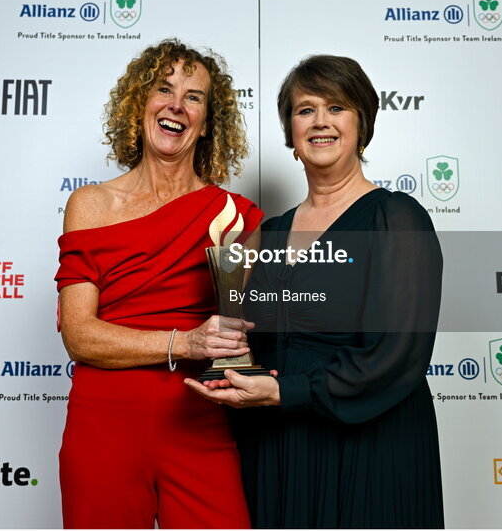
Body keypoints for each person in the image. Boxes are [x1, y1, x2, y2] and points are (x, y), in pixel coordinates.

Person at [185, 55, 444, 528]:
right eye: (305, 110)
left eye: (336, 107)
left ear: (361, 123)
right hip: (280, 446)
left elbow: (399, 352)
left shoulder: (396, 218)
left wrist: (290, 391)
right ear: (290, 132)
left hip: (370, 446)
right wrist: (230, 365)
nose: (320, 121)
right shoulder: (269, 231)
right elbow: (254, 337)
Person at [55, 40, 263, 529]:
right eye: (164, 89)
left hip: (198, 419)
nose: (176, 104)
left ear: (208, 122)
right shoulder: (90, 205)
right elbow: (80, 336)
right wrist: (184, 341)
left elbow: (254, 331)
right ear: (139, 105)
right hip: (102, 421)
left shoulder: (236, 216)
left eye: (194, 97)